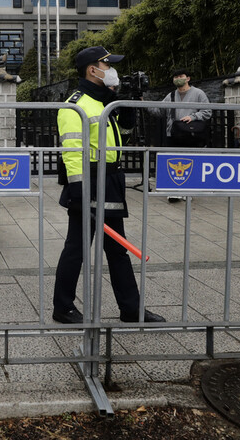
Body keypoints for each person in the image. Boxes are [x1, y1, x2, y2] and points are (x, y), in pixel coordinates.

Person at [53, 45, 165, 325]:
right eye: (107, 65)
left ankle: (131, 309)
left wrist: (126, 114)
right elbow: (73, 151)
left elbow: (118, 141)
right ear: (92, 70)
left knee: (117, 248)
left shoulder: (104, 101)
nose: (111, 70)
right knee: (76, 248)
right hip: (88, 181)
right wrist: (79, 190)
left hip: (111, 180)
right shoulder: (75, 105)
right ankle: (63, 307)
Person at [148, 69, 211, 203]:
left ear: (188, 78)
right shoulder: (171, 95)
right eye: (175, 77)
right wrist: (144, 103)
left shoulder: (198, 93)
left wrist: (193, 116)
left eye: (180, 76)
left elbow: (207, 111)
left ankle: (188, 191)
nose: (178, 79)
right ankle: (173, 191)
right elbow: (159, 110)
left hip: (191, 133)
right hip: (173, 133)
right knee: (173, 161)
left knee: (191, 161)